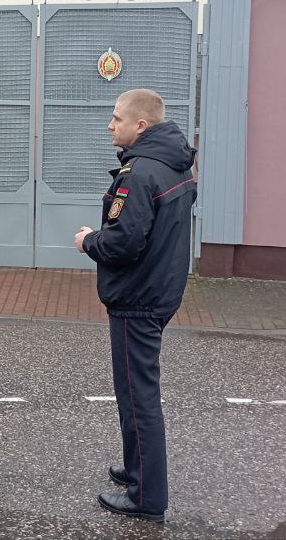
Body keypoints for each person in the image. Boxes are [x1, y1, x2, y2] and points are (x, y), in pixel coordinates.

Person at [73, 89, 196, 524]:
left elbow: (123, 242)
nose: (110, 125)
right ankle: (137, 467)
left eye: (117, 118)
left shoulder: (140, 172)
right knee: (133, 391)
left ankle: (147, 496)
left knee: (138, 395)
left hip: (138, 298)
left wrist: (89, 241)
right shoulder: (172, 164)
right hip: (158, 290)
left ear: (141, 125)